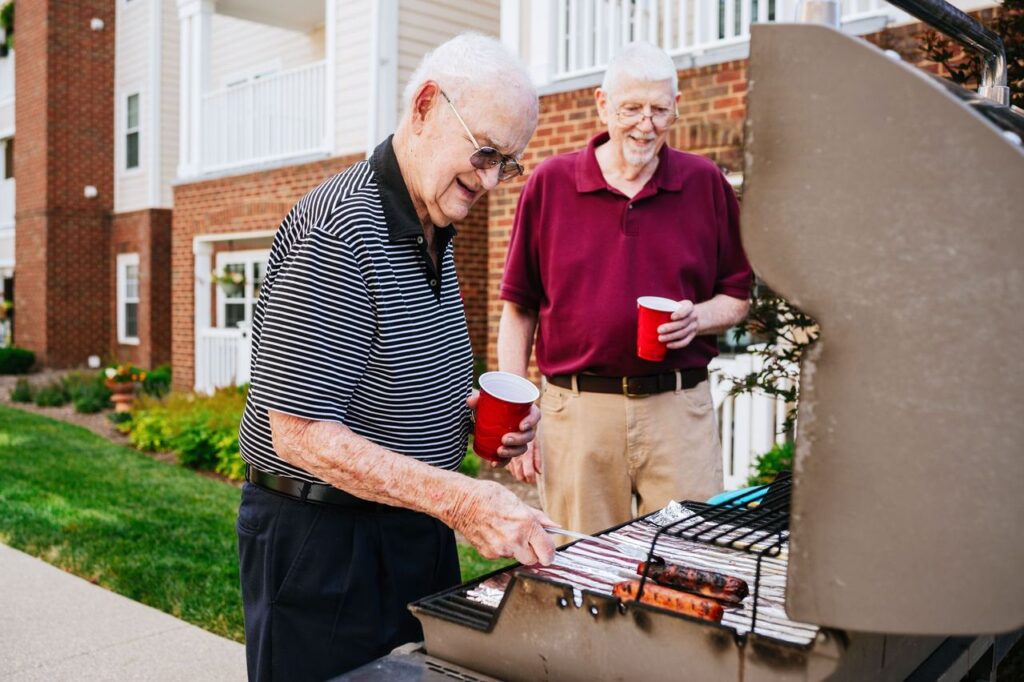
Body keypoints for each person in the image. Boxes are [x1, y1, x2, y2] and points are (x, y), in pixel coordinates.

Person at [235, 33, 555, 681]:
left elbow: (387, 377)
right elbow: (299, 435)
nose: (492, 180)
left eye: (508, 164)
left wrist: (477, 425)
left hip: (412, 529)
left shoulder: (433, 226)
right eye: (486, 152)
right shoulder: (338, 230)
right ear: (426, 106)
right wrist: (462, 501)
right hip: (324, 543)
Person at [498, 42, 753, 535]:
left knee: (691, 558)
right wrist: (517, 412)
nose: (646, 124)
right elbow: (519, 309)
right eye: (631, 108)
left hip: (679, 411)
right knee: (581, 566)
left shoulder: (705, 184)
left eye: (659, 110)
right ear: (602, 105)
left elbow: (737, 298)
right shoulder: (550, 184)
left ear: (676, 108)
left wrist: (695, 318)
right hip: (578, 412)